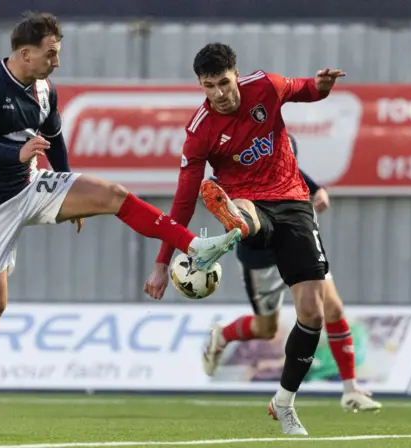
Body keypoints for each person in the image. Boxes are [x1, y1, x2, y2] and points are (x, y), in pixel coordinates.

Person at [0, 13, 241, 417]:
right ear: (25, 53)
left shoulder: (44, 90)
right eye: (51, 54)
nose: (57, 62)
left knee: (111, 194)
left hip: (31, 185)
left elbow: (53, 140)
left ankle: (196, 245)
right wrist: (15, 153)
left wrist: (67, 188)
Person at [144, 42, 344, 436]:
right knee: (245, 212)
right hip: (249, 200)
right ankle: (235, 220)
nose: (218, 93)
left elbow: (306, 89)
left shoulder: (266, 87)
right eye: (208, 86)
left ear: (236, 74)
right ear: (200, 85)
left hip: (293, 201)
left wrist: (322, 86)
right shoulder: (199, 131)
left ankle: (283, 402)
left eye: (223, 82)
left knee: (312, 313)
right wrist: (162, 261)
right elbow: (183, 200)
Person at [204, 135, 382, 413]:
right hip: (261, 259)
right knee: (266, 329)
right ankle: (223, 336)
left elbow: (307, 182)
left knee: (332, 309)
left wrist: (320, 191)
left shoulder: (285, 157)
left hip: (298, 248)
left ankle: (350, 390)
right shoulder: (237, 167)